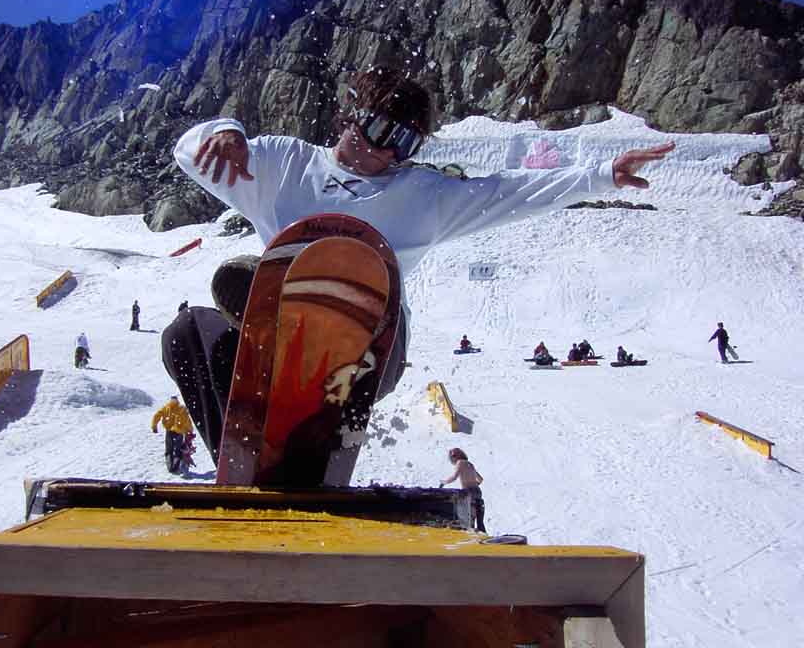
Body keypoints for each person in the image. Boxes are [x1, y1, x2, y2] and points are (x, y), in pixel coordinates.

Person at [163, 66, 674, 464]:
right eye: (381, 129)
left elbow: (509, 192)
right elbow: (189, 155)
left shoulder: (424, 196)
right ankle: (245, 455)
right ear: (352, 114)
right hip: (284, 348)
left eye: (404, 143)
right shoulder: (282, 165)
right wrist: (223, 130)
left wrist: (602, 175)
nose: (387, 151)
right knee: (186, 334)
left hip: (369, 351)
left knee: (288, 280)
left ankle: (288, 308)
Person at [439, 447, 486, 532]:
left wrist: (444, 482)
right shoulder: (470, 464)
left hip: (469, 492)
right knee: (479, 520)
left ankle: (471, 538)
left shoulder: (459, 463)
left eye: (452, 456)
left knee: (468, 519)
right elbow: (480, 479)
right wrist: (474, 484)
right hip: (477, 491)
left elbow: (454, 477)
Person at [151, 395, 195, 474]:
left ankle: (170, 467)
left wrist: (154, 426)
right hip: (179, 432)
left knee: (169, 450)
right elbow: (187, 421)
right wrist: (190, 430)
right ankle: (175, 467)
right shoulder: (182, 409)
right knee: (178, 451)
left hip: (169, 432)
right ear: (177, 400)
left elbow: (156, 416)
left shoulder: (166, 408)